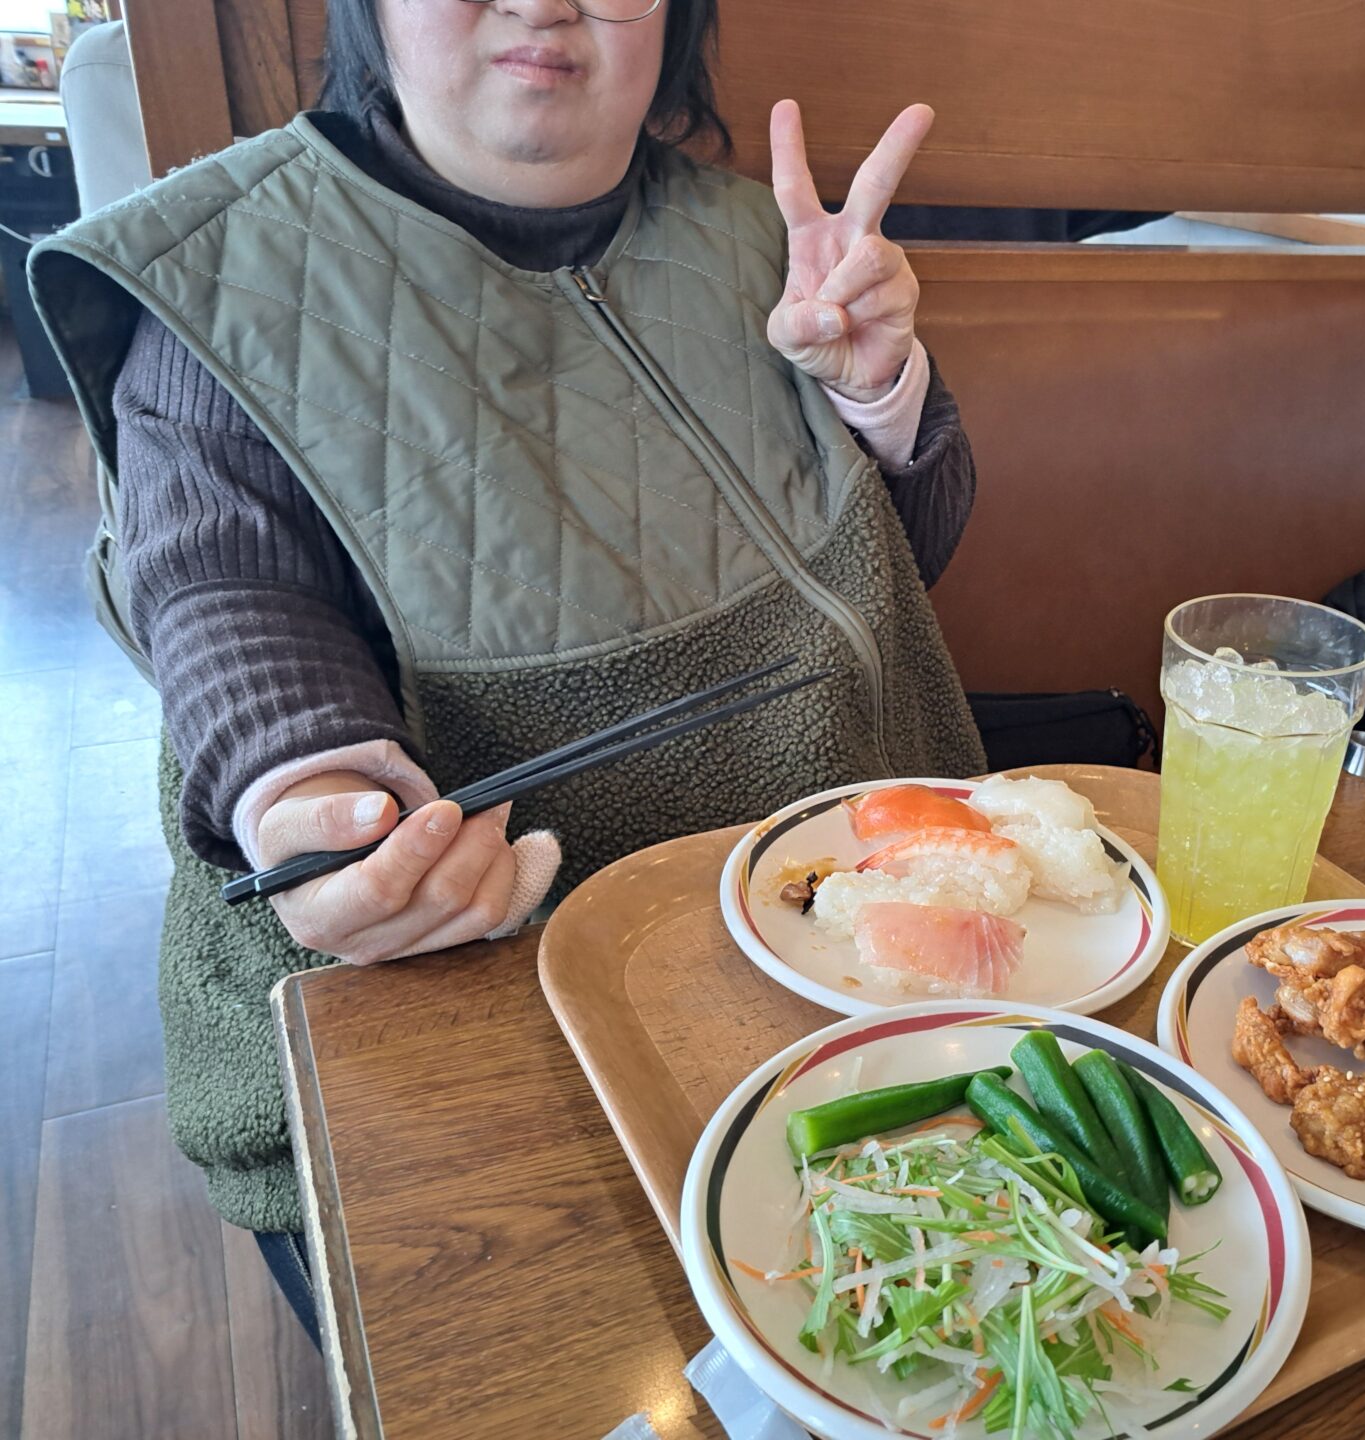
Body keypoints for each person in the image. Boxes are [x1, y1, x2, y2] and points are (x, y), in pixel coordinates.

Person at [30, 0, 987, 1344]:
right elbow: (222, 593)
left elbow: (896, 574)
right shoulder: (224, 272)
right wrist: (314, 799)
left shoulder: (763, 237)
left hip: (847, 980)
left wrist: (878, 391)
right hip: (492, 1069)